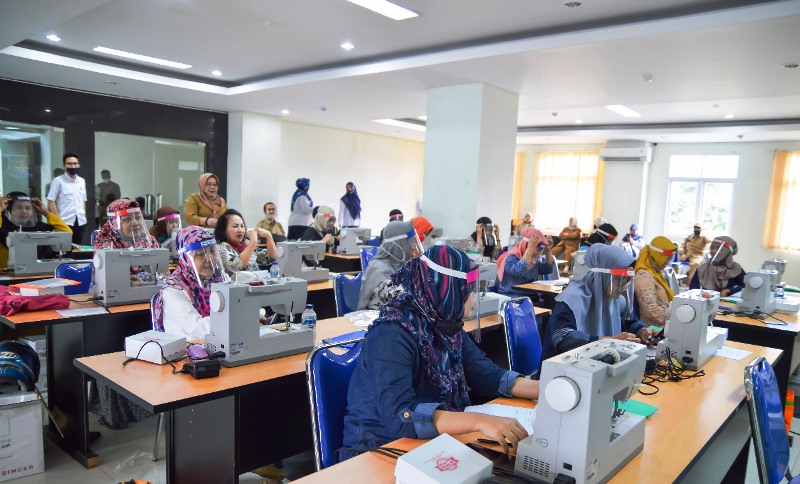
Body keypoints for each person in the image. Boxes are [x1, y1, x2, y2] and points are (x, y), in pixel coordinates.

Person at [340, 245, 540, 460]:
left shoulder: (445, 324)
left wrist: (546, 391)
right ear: (447, 290)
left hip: (426, 443)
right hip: (377, 449)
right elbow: (401, 417)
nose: (473, 298)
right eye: (467, 291)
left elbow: (487, 376)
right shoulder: (391, 334)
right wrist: (480, 421)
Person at [542, 244, 656, 361]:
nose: (624, 288)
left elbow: (626, 322)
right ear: (605, 277)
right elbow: (561, 337)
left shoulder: (615, 300)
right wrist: (607, 341)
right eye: (621, 281)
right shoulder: (572, 298)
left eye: (627, 282)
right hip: (564, 367)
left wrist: (640, 330)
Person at [357, 221, 423, 310]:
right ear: (400, 245)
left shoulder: (401, 266)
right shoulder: (379, 270)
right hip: (376, 320)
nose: (414, 248)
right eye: (411, 244)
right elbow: (402, 299)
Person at [0, 192, 71, 268]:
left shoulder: (39, 227)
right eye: (19, 208)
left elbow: (67, 233)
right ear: (9, 210)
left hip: (34, 270)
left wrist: (46, 212)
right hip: (5, 273)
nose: (24, 211)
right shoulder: (2, 227)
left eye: (28, 208)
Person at [214, 209, 277, 276]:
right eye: (235, 226)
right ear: (224, 229)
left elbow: (270, 258)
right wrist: (253, 242)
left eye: (242, 226)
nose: (240, 230)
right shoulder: (220, 248)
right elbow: (237, 266)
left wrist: (269, 236)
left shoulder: (245, 245)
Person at [634, 236, 678, 327]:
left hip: (663, 325)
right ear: (656, 257)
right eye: (666, 259)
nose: (667, 263)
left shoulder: (656, 274)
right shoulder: (644, 276)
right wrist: (677, 314)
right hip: (653, 331)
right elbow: (651, 311)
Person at [496, 228, 555, 296]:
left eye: (541, 249)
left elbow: (548, 269)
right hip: (512, 296)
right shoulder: (510, 258)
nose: (538, 252)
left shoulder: (534, 261)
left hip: (531, 297)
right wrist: (530, 249)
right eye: (537, 248)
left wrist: (548, 250)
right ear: (526, 245)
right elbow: (519, 271)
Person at [47, 153, 87, 244]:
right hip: (65, 222)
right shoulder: (58, 181)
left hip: (80, 222)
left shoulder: (81, 181)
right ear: (64, 166)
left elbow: (83, 200)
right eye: (69, 164)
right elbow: (50, 200)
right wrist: (57, 220)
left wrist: (83, 215)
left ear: (78, 165)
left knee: (77, 249)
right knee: (65, 249)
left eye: (75, 163)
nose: (72, 166)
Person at [93, 199, 159, 249]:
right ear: (114, 223)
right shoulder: (105, 242)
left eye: (138, 217)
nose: (135, 223)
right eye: (127, 219)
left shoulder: (149, 240)